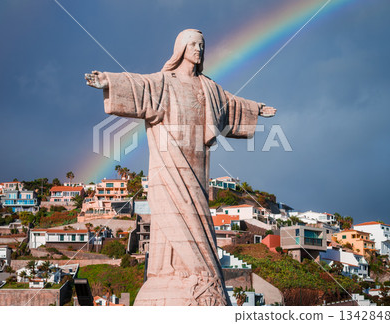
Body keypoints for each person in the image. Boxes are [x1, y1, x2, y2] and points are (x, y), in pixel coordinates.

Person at [86, 29, 276, 305]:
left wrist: (256, 109)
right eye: (194, 45)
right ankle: (170, 273)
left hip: (198, 164)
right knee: (170, 212)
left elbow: (231, 104)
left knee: (197, 212)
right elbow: (139, 86)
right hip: (169, 162)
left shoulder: (208, 87)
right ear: (181, 48)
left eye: (202, 45)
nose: (199, 49)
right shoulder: (165, 82)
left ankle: (203, 275)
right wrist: (108, 81)